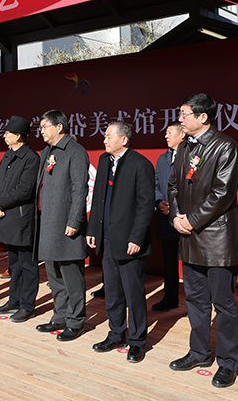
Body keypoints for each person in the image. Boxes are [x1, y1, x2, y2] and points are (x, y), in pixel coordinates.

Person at [168, 93, 238, 389]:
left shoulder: (225, 146)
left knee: (223, 304)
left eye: (184, 114)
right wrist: (177, 217)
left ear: (203, 117)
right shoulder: (185, 146)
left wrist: (191, 220)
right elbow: (173, 185)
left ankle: (228, 362)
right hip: (189, 236)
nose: (180, 119)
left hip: (216, 239)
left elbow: (222, 193)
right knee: (195, 300)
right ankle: (199, 352)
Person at [87, 122, 155, 363]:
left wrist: (136, 237)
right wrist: (93, 228)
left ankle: (137, 341)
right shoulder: (104, 161)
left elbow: (146, 204)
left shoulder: (140, 164)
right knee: (112, 291)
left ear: (124, 140)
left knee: (133, 293)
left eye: (109, 136)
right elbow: (97, 198)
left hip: (129, 241)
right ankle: (116, 333)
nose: (104, 140)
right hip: (107, 237)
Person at [34, 109, 90, 342]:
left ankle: (75, 321)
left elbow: (80, 188)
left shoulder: (75, 151)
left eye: (44, 126)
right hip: (48, 221)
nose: (41, 131)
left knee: (71, 276)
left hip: (66, 222)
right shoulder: (47, 151)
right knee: (54, 275)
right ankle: (60, 316)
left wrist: (75, 220)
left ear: (59, 127)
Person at [0, 115, 40, 322]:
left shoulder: (31, 158)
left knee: (27, 265)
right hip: (5, 216)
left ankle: (27, 305)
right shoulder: (8, 155)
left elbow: (24, 190)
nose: (4, 136)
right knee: (14, 264)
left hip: (21, 219)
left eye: (7, 133)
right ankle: (14, 300)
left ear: (18, 136)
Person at [151, 121, 185, 312]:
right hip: (165, 216)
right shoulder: (162, 158)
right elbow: (156, 184)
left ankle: (195, 302)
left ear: (182, 134)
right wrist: (159, 202)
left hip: (186, 217)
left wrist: (175, 207)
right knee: (169, 262)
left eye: (170, 132)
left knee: (190, 262)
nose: (166, 136)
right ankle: (170, 298)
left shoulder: (192, 157)